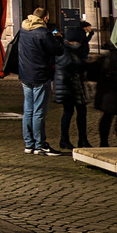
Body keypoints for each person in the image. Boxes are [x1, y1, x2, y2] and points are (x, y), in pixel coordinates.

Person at [6, 8, 63, 155]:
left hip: (25, 75)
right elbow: (58, 50)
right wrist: (57, 36)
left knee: (28, 111)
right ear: (45, 18)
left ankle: (29, 144)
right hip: (40, 75)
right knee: (39, 111)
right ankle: (40, 145)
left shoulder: (23, 29)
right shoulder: (44, 33)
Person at [55, 23, 91, 151]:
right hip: (68, 89)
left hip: (73, 87)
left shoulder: (71, 50)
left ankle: (82, 139)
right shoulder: (65, 51)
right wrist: (84, 64)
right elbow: (69, 66)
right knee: (69, 113)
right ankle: (64, 139)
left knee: (80, 112)